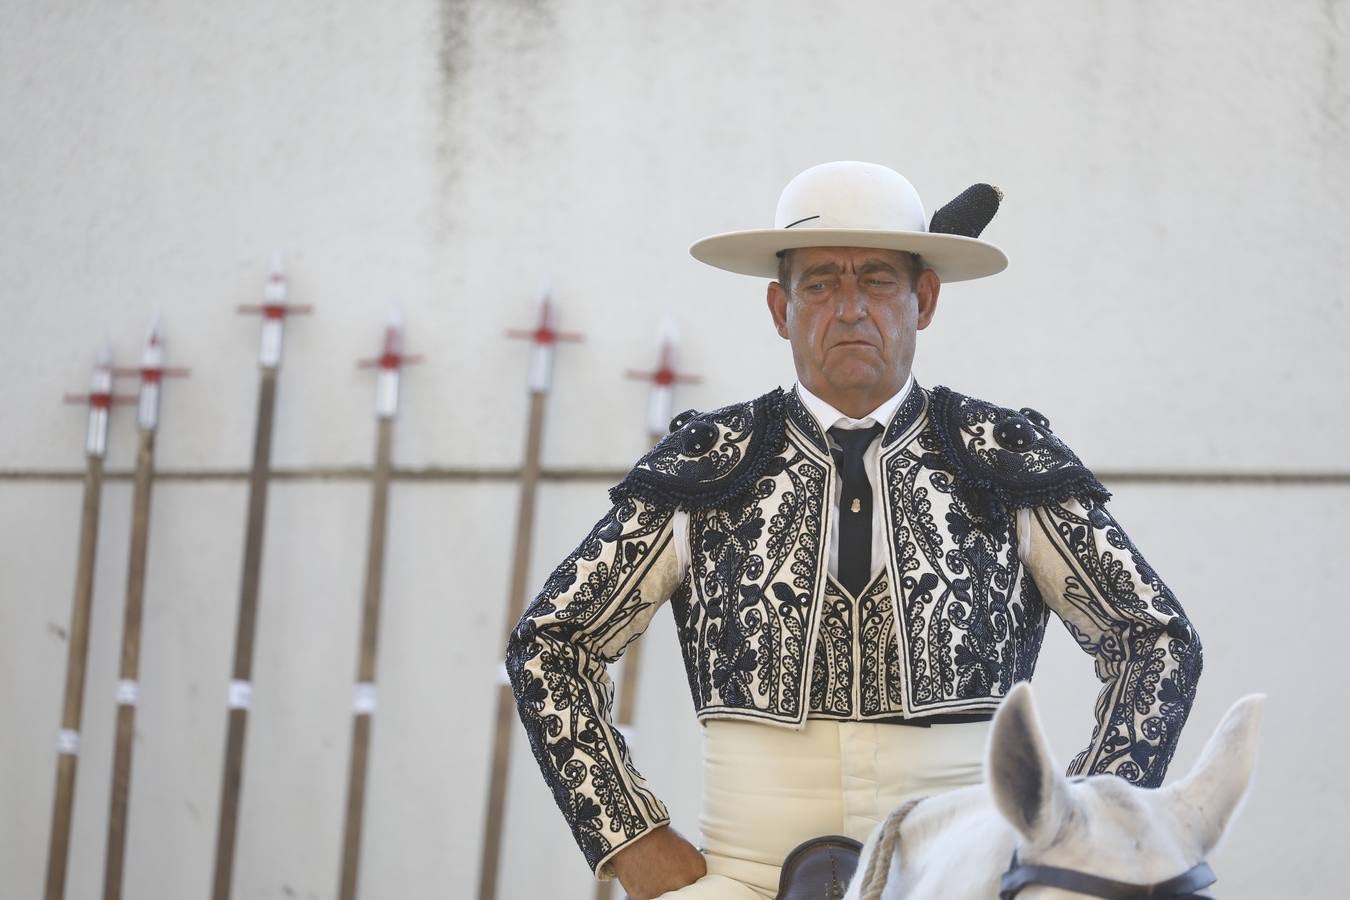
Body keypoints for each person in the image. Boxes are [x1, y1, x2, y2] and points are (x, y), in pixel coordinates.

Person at [505, 161, 1202, 899]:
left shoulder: (1001, 456)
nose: (848, 310)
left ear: (922, 299)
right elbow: (553, 645)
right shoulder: (708, 464)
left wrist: (1079, 832)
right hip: (745, 879)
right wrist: (633, 840)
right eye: (819, 285)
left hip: (969, 878)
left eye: (875, 281)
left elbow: (1153, 639)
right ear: (780, 308)